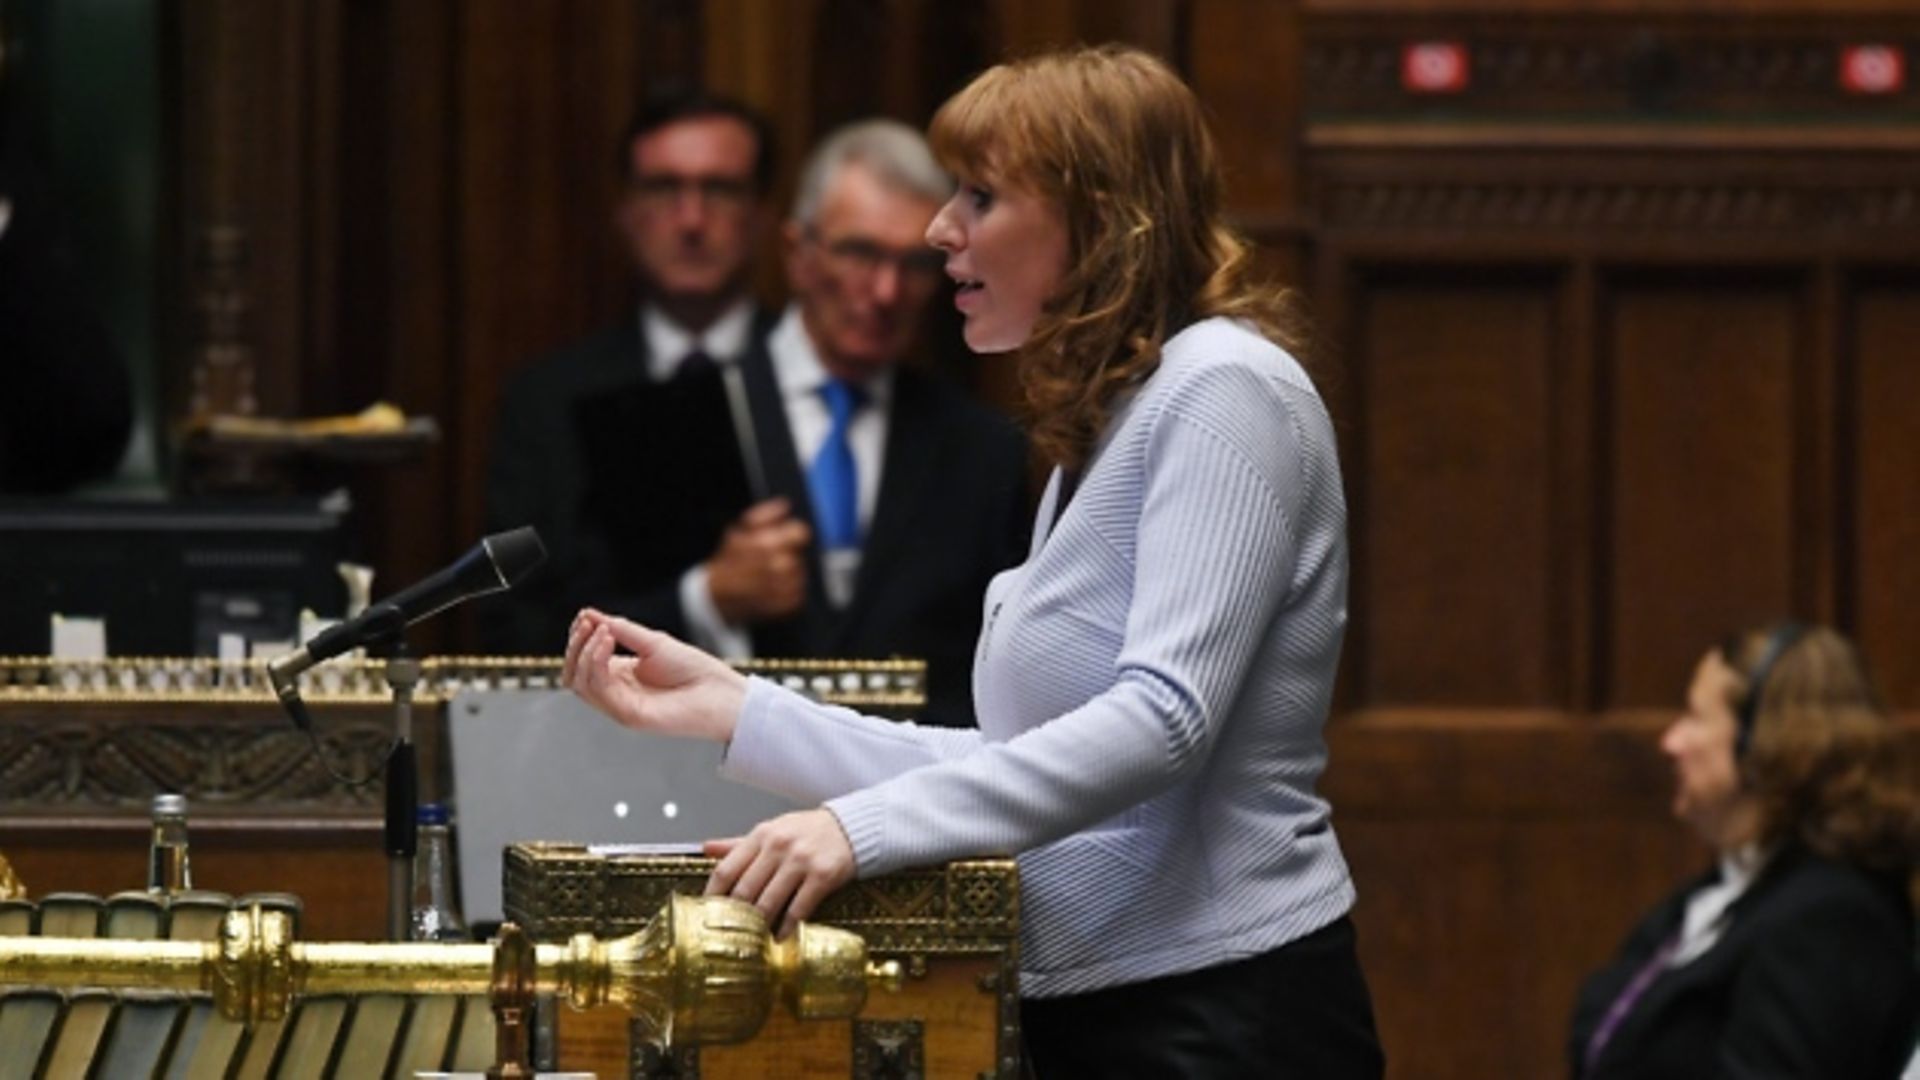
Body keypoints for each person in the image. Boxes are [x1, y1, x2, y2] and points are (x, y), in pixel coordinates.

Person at [564, 45, 1384, 1078]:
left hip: (1226, 1013)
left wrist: (858, 832)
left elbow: (1161, 723)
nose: (940, 229)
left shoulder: (1225, 387)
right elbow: (1010, 758)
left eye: (980, 196)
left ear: (1099, 217)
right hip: (1109, 1008)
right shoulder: (1119, 421)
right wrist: (740, 709)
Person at [570, 119, 1029, 727]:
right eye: (860, 253)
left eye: (915, 263)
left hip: (911, 799)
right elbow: (577, 636)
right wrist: (711, 596)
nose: (887, 291)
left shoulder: (983, 449)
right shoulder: (677, 414)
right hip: (708, 787)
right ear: (798, 253)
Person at [482, 89, 782, 654]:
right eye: (664, 188)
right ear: (626, 211)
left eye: (719, 189)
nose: (692, 220)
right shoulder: (546, 400)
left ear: (763, 213)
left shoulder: (816, 379)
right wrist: (702, 600)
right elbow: (514, 624)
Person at [1569, 622, 1919, 1079]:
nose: (1670, 741)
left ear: (1764, 744)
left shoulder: (1830, 923)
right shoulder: (1723, 888)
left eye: (1695, 717)